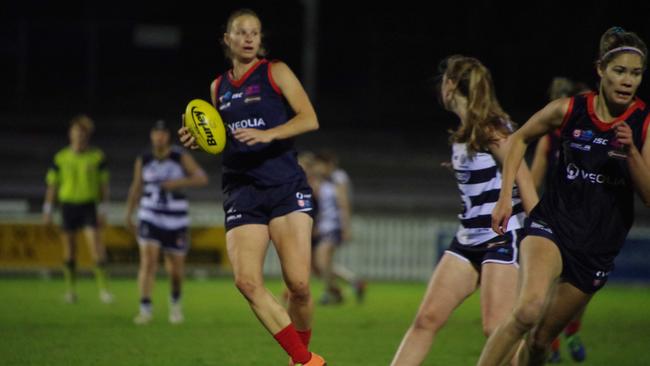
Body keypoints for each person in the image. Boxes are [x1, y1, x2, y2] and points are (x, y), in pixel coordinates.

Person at [477, 27, 650, 366]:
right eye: (620, 71)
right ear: (600, 69)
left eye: (636, 73)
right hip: (552, 225)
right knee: (527, 311)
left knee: (541, 340)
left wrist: (630, 152)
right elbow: (518, 140)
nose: (628, 80)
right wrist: (503, 198)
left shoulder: (644, 123)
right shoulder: (569, 110)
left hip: (597, 247)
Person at [178, 9, 325, 366]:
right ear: (226, 39)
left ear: (260, 40)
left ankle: (298, 360)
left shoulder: (276, 72)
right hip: (242, 188)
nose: (248, 38)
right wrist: (199, 139)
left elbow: (310, 118)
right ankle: (306, 361)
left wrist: (269, 133)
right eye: (240, 32)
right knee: (246, 282)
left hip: (284, 186)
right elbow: (220, 136)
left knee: (299, 286)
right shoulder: (218, 88)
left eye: (254, 33)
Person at [390, 55, 539, 366]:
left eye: (442, 81)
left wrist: (541, 232)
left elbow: (523, 177)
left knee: (496, 330)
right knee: (427, 319)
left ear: (450, 84)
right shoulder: (467, 129)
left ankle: (535, 358)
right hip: (468, 239)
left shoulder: (491, 127)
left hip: (501, 237)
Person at [125, 120, 208, 325]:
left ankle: (175, 305)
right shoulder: (144, 159)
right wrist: (129, 213)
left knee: (176, 270)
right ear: (152, 136)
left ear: (168, 136)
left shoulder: (179, 156)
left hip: (176, 218)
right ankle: (145, 308)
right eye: (156, 133)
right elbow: (136, 186)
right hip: (150, 214)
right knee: (148, 261)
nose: (159, 137)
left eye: (163, 133)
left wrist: (178, 183)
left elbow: (201, 178)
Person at [530, 77, 589, 363]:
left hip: (588, 223)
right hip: (556, 220)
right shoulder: (549, 138)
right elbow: (534, 180)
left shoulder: (594, 136)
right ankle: (549, 341)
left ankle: (572, 331)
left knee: (580, 289)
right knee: (550, 283)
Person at [43, 114, 113, 304]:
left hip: (89, 206)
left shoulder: (97, 157)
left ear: (87, 135)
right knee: (70, 251)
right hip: (68, 206)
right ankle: (70, 291)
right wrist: (48, 209)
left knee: (97, 248)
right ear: (70, 134)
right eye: (76, 132)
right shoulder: (61, 157)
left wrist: (104, 209)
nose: (79, 136)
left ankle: (104, 291)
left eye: (82, 132)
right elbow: (52, 185)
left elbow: (104, 186)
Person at [308, 152, 365, 305]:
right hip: (323, 226)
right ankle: (352, 282)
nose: (317, 168)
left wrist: (346, 227)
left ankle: (332, 293)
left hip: (334, 225)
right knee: (319, 266)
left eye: (319, 164)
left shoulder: (339, 178)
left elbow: (343, 203)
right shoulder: (322, 181)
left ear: (327, 164)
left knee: (321, 260)